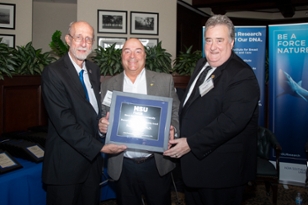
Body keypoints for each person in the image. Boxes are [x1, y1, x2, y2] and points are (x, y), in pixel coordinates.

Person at [163, 15, 260, 205]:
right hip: (196, 168)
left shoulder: (242, 75)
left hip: (221, 173)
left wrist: (191, 142)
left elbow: (230, 122)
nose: (213, 46)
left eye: (219, 40)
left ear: (231, 43)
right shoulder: (202, 64)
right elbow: (193, 104)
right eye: (209, 40)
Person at [41, 21, 126, 205]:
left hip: (91, 165)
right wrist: (101, 148)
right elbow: (65, 123)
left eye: (88, 39)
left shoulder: (93, 70)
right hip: (66, 167)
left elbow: (89, 111)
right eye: (78, 37)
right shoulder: (53, 73)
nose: (83, 43)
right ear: (68, 40)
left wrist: (101, 124)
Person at [98, 38, 180, 205]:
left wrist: (173, 131)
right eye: (127, 51)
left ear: (145, 55)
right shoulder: (107, 85)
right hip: (123, 165)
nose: (132, 56)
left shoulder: (164, 81)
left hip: (155, 163)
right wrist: (102, 127)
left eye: (138, 50)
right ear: (121, 56)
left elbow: (174, 110)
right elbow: (103, 116)